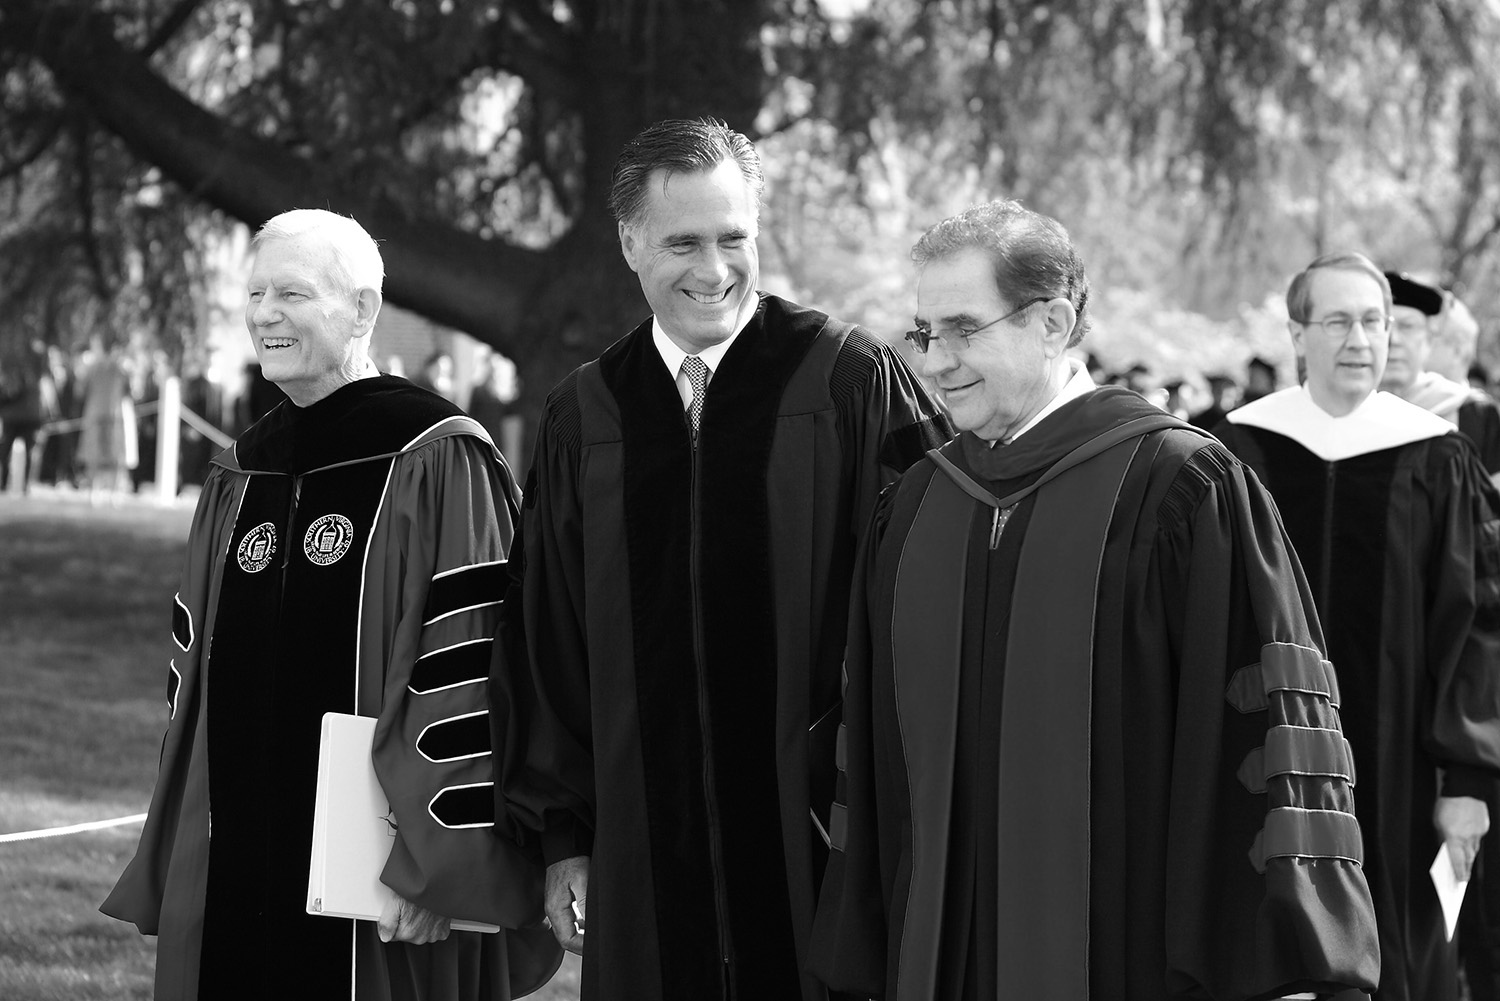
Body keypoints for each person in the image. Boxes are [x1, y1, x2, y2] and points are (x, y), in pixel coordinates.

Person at [808, 200, 1379, 1000]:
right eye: (926, 332)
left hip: (1127, 955)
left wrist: (1289, 955)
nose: (936, 362)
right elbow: (870, 757)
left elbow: (1268, 732)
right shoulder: (915, 508)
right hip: (934, 958)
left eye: (965, 328)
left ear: (1053, 321)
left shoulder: (1182, 489)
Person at [493, 117, 951, 1001]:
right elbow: (547, 639)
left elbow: (919, 606)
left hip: (818, 836)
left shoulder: (844, 380)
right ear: (629, 242)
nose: (714, 269)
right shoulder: (586, 415)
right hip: (638, 847)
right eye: (682, 242)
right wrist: (564, 838)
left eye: (733, 238)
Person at [101, 209, 560, 1001]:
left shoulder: (438, 455)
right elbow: (194, 691)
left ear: (363, 310)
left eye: (294, 293)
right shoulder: (242, 472)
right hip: (234, 857)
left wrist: (438, 866)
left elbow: (478, 666)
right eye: (255, 294)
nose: (265, 313)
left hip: (383, 877)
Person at [1215, 251, 1500, 1001]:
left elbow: (1476, 623)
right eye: (1337, 320)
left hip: (1404, 771)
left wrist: (1468, 775)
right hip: (1261, 757)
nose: (1360, 339)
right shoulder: (1232, 452)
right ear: (1297, 333)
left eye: (1374, 321)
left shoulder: (1437, 458)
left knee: (1401, 955)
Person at [1379, 273, 1500, 483]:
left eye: (1407, 326)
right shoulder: (1343, 410)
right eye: (1382, 326)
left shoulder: (1473, 413)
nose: (1393, 339)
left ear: (1429, 338)